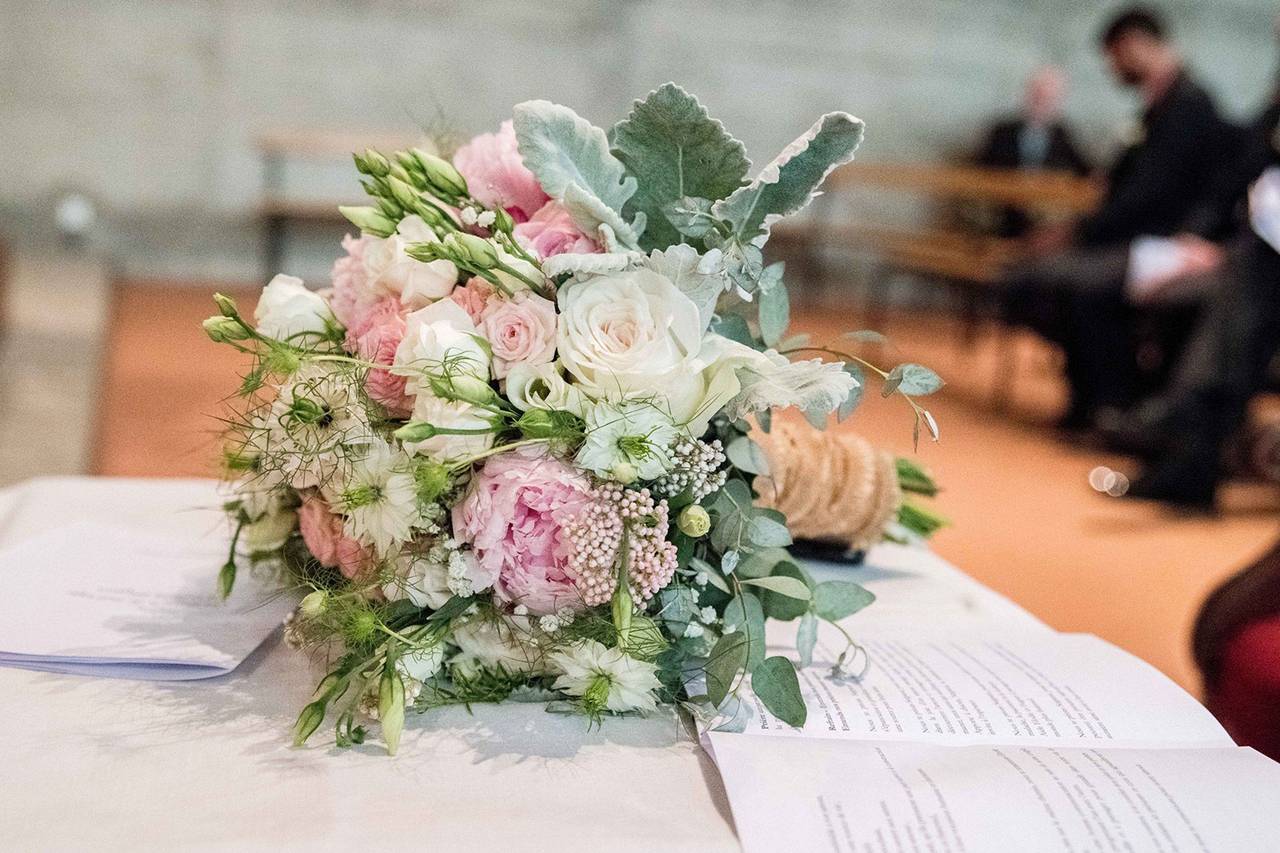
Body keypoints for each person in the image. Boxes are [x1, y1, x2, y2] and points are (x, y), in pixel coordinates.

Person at [1001, 7, 1235, 430]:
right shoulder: (1160, 105)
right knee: (1030, 279)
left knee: (1073, 284)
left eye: (1114, 57)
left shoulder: (1190, 106)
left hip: (1170, 243)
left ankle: (1116, 401)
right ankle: (1100, 398)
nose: (1112, 69)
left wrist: (1080, 233)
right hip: (1140, 240)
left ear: (1135, 45)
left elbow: (1151, 197)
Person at [975, 67, 1091, 237]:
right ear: (1028, 95)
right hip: (1004, 207)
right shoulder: (1002, 130)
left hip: (1045, 212)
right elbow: (982, 167)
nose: (1042, 102)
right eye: (1038, 95)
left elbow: (1084, 168)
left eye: (1048, 98)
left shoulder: (1063, 134)